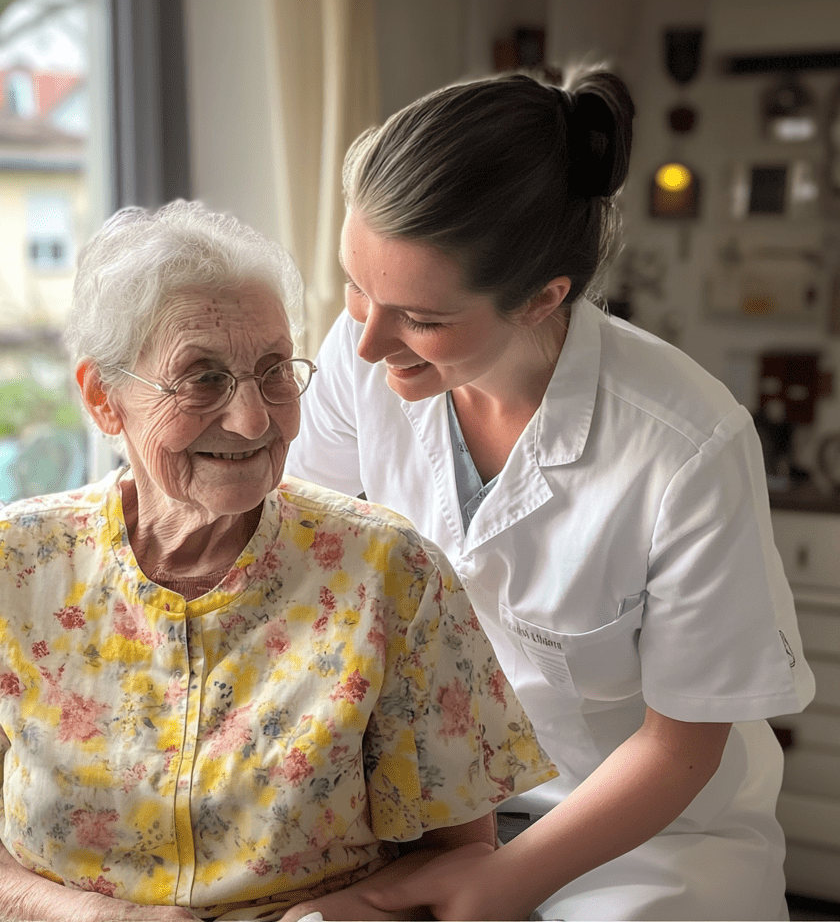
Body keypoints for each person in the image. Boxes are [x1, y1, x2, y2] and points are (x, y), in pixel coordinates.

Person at [0, 201, 556, 922]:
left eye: (274, 373)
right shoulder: (9, 565)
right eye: (202, 379)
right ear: (105, 401)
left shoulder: (391, 574)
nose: (254, 420)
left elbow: (463, 854)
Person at [285, 68, 816, 922]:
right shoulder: (366, 354)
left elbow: (681, 749)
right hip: (424, 812)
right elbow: (300, 559)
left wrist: (504, 881)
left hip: (639, 842)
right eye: (356, 287)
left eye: (420, 317)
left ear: (542, 298)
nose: (369, 338)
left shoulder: (685, 445)